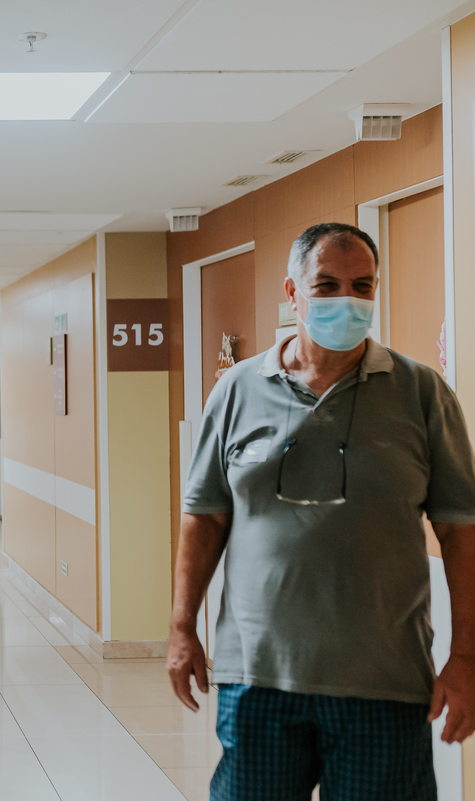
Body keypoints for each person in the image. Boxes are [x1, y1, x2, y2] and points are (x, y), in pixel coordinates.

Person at [168, 222, 475, 801]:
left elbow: (461, 532)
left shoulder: (421, 393)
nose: (347, 300)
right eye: (327, 285)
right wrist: (183, 627)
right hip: (258, 676)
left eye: (362, 286)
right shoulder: (237, 390)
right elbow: (204, 516)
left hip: (384, 681)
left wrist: (466, 657)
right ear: (293, 292)